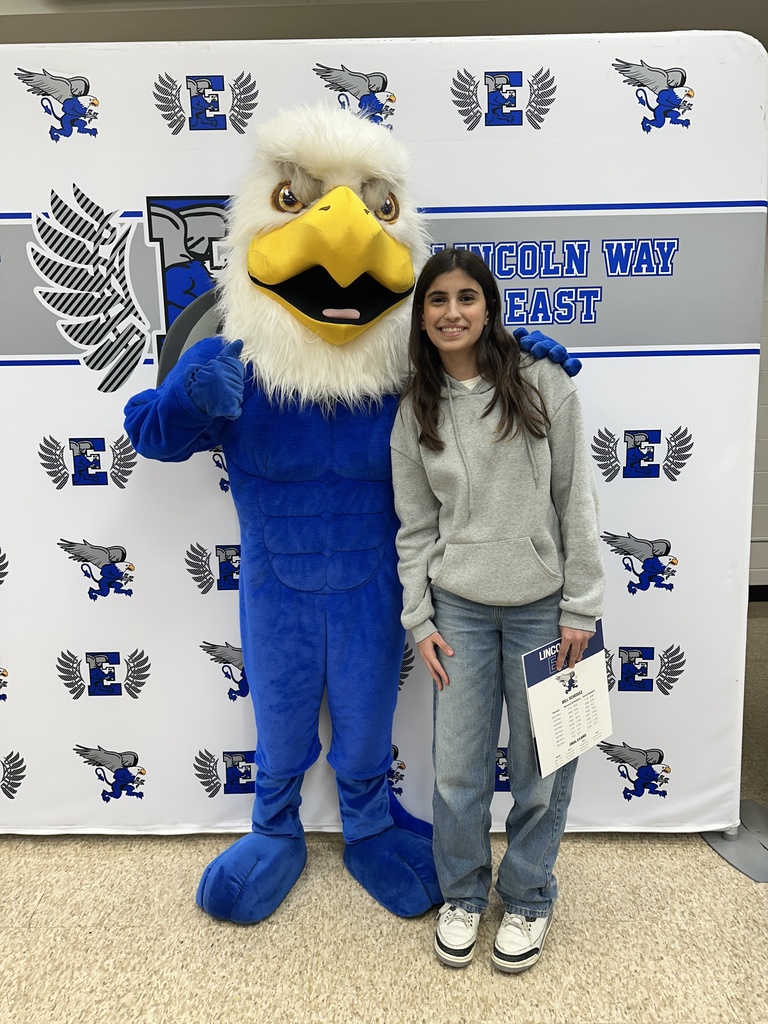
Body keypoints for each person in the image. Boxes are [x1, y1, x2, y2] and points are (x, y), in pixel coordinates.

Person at [390, 248, 604, 972]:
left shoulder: (544, 383)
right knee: (457, 771)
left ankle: (529, 897)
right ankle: (462, 894)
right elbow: (415, 527)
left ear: (489, 307)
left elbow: (577, 498)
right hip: (460, 614)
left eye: (467, 298)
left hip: (548, 612)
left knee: (546, 767)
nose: (453, 312)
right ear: (422, 316)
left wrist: (582, 604)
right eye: (438, 300)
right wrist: (419, 619)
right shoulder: (414, 407)